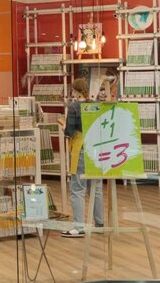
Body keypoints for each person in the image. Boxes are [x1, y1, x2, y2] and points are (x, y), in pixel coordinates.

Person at [62, 78, 104, 238]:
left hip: (80, 148)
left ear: (75, 91)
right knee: (96, 187)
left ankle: (79, 227)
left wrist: (63, 127)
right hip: (95, 148)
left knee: (77, 188)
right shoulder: (95, 105)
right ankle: (99, 223)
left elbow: (70, 131)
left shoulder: (74, 107)